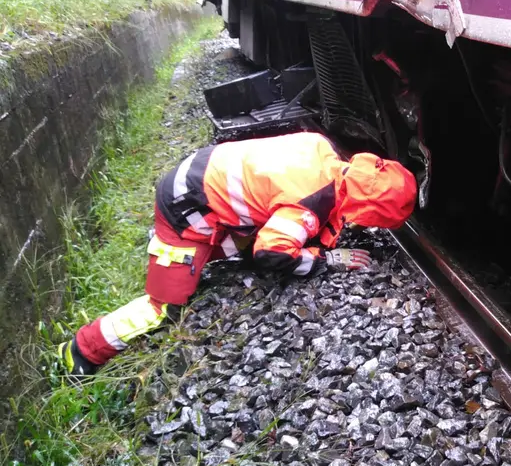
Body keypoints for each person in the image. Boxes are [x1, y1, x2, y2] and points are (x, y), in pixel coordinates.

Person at [59, 131, 417, 376]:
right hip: (186, 208)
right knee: (164, 306)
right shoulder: (308, 205)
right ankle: (82, 351)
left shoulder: (322, 148)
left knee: (243, 249)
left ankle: (198, 256)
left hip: (201, 181)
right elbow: (272, 254)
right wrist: (326, 261)